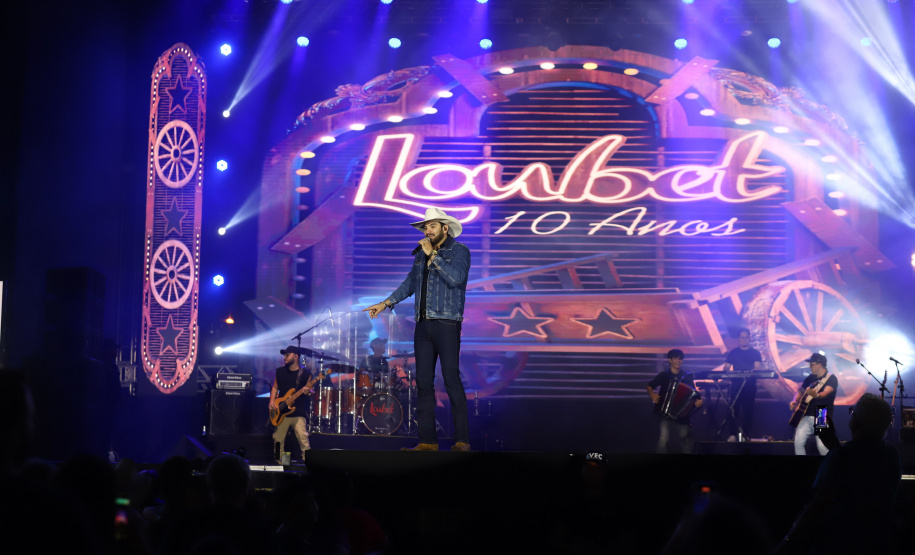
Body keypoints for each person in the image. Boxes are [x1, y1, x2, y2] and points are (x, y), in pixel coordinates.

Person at [363, 207, 472, 452]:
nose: (427, 230)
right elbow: (410, 283)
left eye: (432, 226)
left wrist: (433, 255)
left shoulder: (459, 251)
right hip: (423, 326)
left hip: (446, 323)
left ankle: (462, 441)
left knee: (452, 379)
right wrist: (386, 303)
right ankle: (427, 441)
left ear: (445, 228)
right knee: (423, 383)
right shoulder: (421, 256)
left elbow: (457, 278)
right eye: (425, 227)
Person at [777, 393, 901, 554]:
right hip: (879, 541)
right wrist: (835, 448)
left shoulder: (840, 457)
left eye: (853, 412)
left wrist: (785, 545)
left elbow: (818, 506)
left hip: (837, 542)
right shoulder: (892, 456)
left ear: (856, 421)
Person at [647, 349, 703, 454]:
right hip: (665, 414)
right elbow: (650, 386)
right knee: (663, 439)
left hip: (682, 416)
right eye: (675, 358)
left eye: (680, 358)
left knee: (686, 439)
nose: (678, 361)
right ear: (670, 360)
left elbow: (695, 394)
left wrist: (699, 401)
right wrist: (652, 394)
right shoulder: (664, 375)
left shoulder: (686, 376)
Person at [269, 346, 312, 463]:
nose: (284, 357)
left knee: (303, 437)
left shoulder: (306, 373)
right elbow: (275, 388)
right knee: (278, 439)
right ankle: (280, 463)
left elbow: (309, 390)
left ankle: (308, 462)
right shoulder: (280, 371)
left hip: (298, 411)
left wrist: (307, 391)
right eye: (284, 355)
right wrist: (272, 401)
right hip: (281, 412)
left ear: (296, 356)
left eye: (287, 355)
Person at [789, 353, 838, 456]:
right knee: (798, 442)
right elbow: (800, 391)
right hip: (806, 414)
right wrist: (794, 400)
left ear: (819, 365)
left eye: (812, 364)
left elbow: (826, 393)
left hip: (821, 414)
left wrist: (816, 395)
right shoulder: (810, 378)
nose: (810, 367)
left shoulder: (831, 378)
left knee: (822, 446)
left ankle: (828, 467)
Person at [722, 327, 763, 441]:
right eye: (742, 338)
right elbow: (726, 367)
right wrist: (726, 370)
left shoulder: (755, 353)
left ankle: (745, 435)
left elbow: (757, 368)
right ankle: (732, 434)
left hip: (750, 386)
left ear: (749, 339)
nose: (744, 340)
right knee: (733, 409)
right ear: (738, 339)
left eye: (746, 338)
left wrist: (748, 372)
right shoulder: (733, 353)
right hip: (736, 385)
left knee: (748, 411)